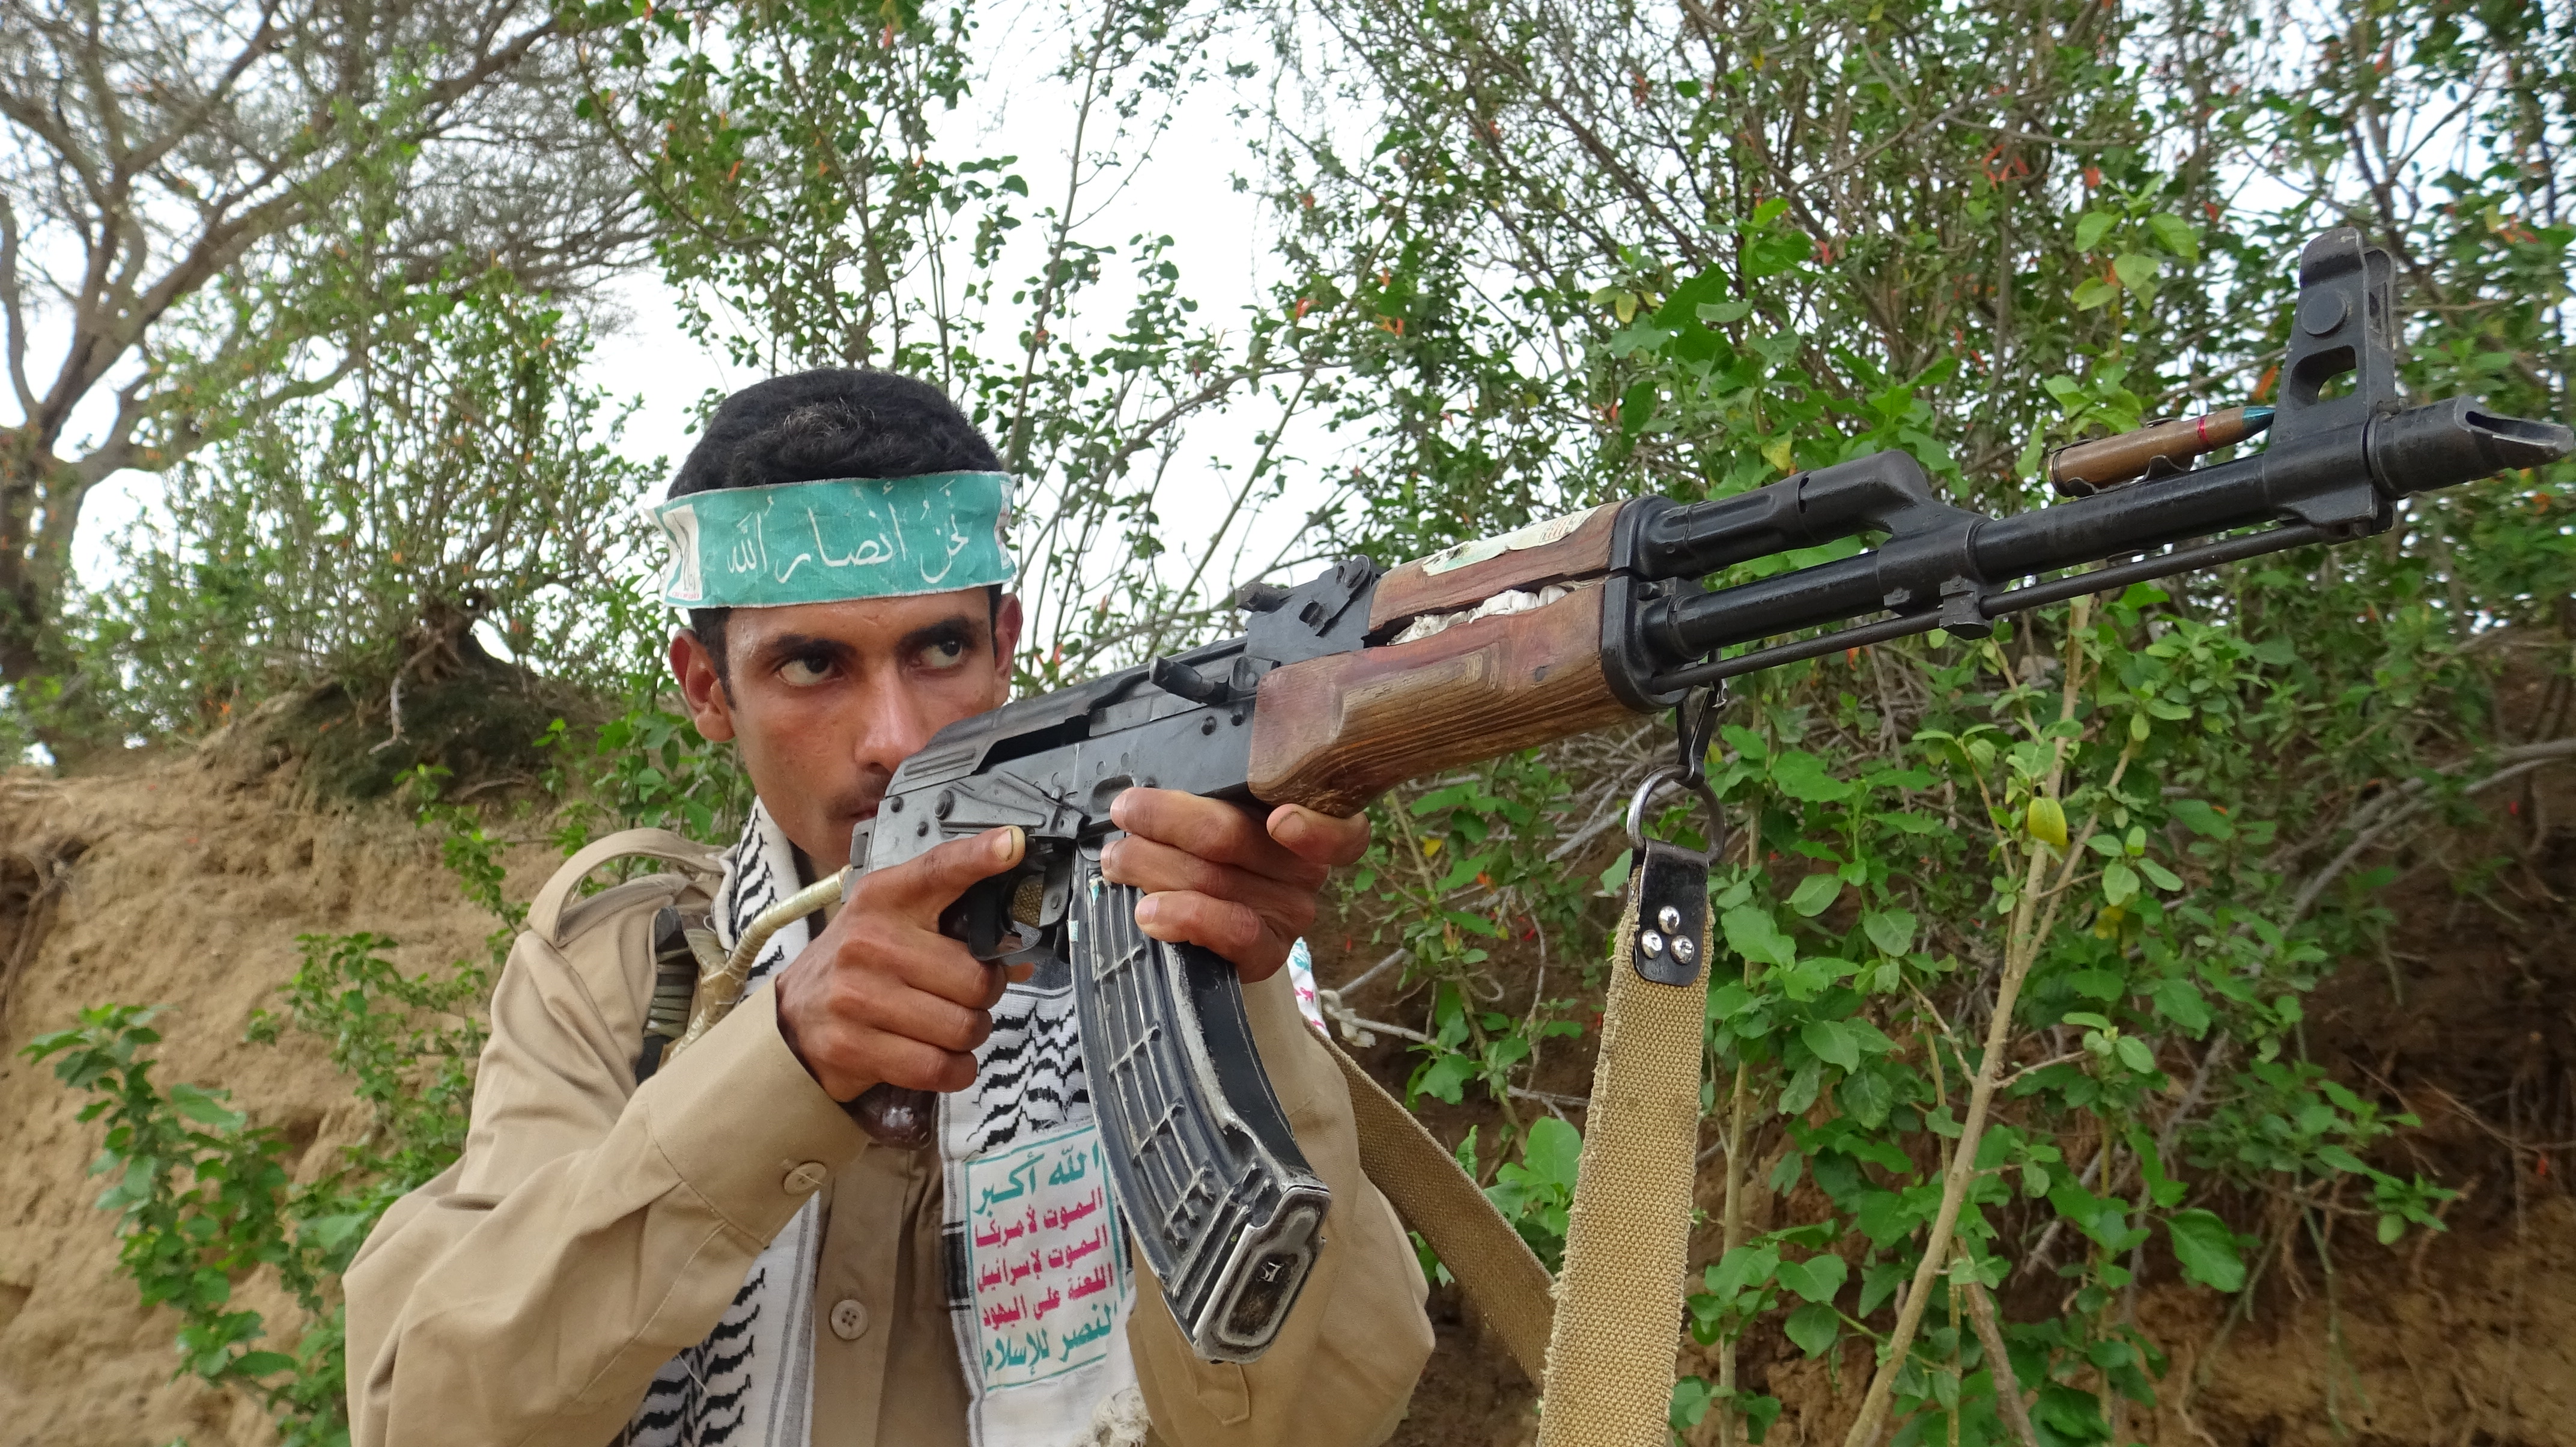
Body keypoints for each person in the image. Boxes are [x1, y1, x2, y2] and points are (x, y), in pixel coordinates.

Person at [345, 370, 1435, 1447]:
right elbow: (427, 1415)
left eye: (942, 650)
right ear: (708, 689)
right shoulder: (622, 978)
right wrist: (779, 1063)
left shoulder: (1149, 932)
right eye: (812, 665)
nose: (898, 740)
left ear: (1005, 648)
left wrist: (1227, 977)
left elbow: (1317, 1421)